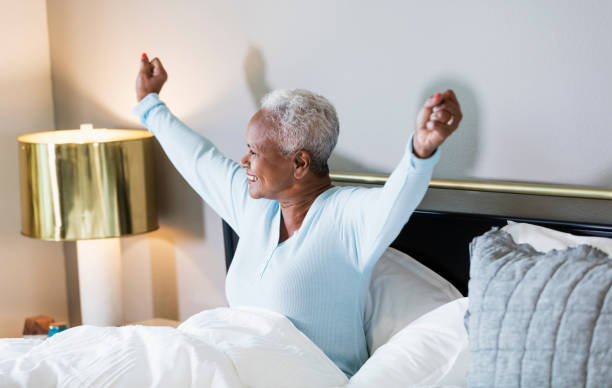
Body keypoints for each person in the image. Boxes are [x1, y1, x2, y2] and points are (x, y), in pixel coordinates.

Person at [134, 53, 462, 377]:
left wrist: (421, 152)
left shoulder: (347, 217)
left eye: (255, 152)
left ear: (300, 164)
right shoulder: (255, 204)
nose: (244, 161)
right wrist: (150, 102)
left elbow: (396, 199)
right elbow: (198, 159)